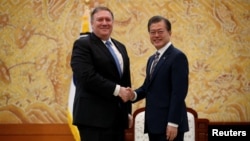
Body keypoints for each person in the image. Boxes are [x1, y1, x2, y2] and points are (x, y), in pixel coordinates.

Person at [70, 6, 132, 141]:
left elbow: (125, 82)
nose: (105, 23)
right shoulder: (83, 44)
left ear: (113, 23)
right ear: (92, 23)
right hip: (93, 119)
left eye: (108, 20)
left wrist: (127, 111)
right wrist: (117, 90)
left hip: (117, 119)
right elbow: (86, 76)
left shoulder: (121, 47)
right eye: (100, 20)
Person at [129, 16, 189, 141]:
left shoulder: (177, 57)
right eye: (152, 32)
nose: (156, 35)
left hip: (169, 127)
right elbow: (148, 87)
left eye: (160, 31)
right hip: (154, 125)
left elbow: (178, 93)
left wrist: (173, 123)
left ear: (170, 33)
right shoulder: (152, 59)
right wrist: (133, 95)